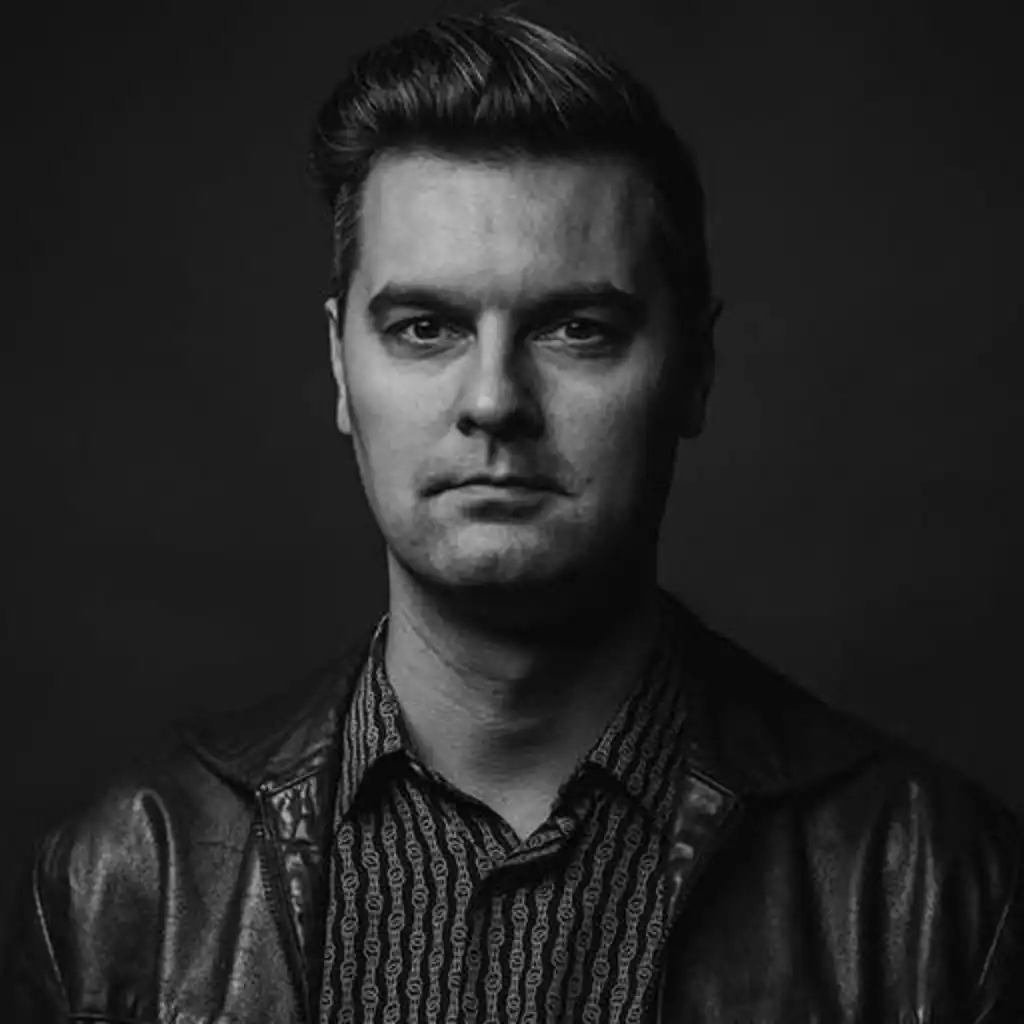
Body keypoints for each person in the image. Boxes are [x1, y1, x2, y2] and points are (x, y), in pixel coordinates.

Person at [3, 11, 1021, 1023]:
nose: (494, 400)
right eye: (425, 327)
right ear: (340, 367)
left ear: (694, 371)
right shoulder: (123, 884)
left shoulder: (939, 889)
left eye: (576, 328)